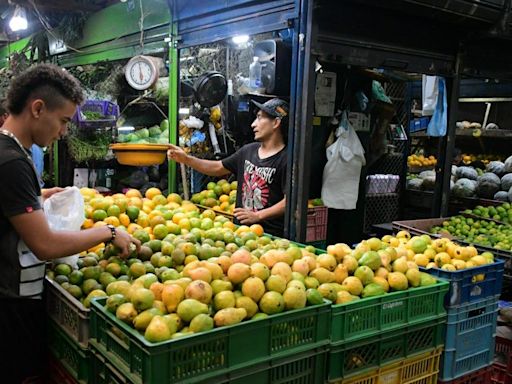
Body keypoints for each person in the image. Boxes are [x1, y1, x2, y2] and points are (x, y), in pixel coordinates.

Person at [0, 64, 140, 383]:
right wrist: (108, 232)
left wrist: (39, 196)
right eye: (63, 121)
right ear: (38, 108)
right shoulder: (12, 162)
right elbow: (46, 246)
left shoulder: (11, 152)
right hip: (10, 306)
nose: (63, 132)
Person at [168, 98, 289, 237]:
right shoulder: (248, 151)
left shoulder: (287, 159)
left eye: (260, 118)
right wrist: (186, 159)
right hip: (238, 232)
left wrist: (258, 216)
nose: (253, 124)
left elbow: (289, 202)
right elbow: (218, 168)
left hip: (269, 237)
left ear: (275, 123)